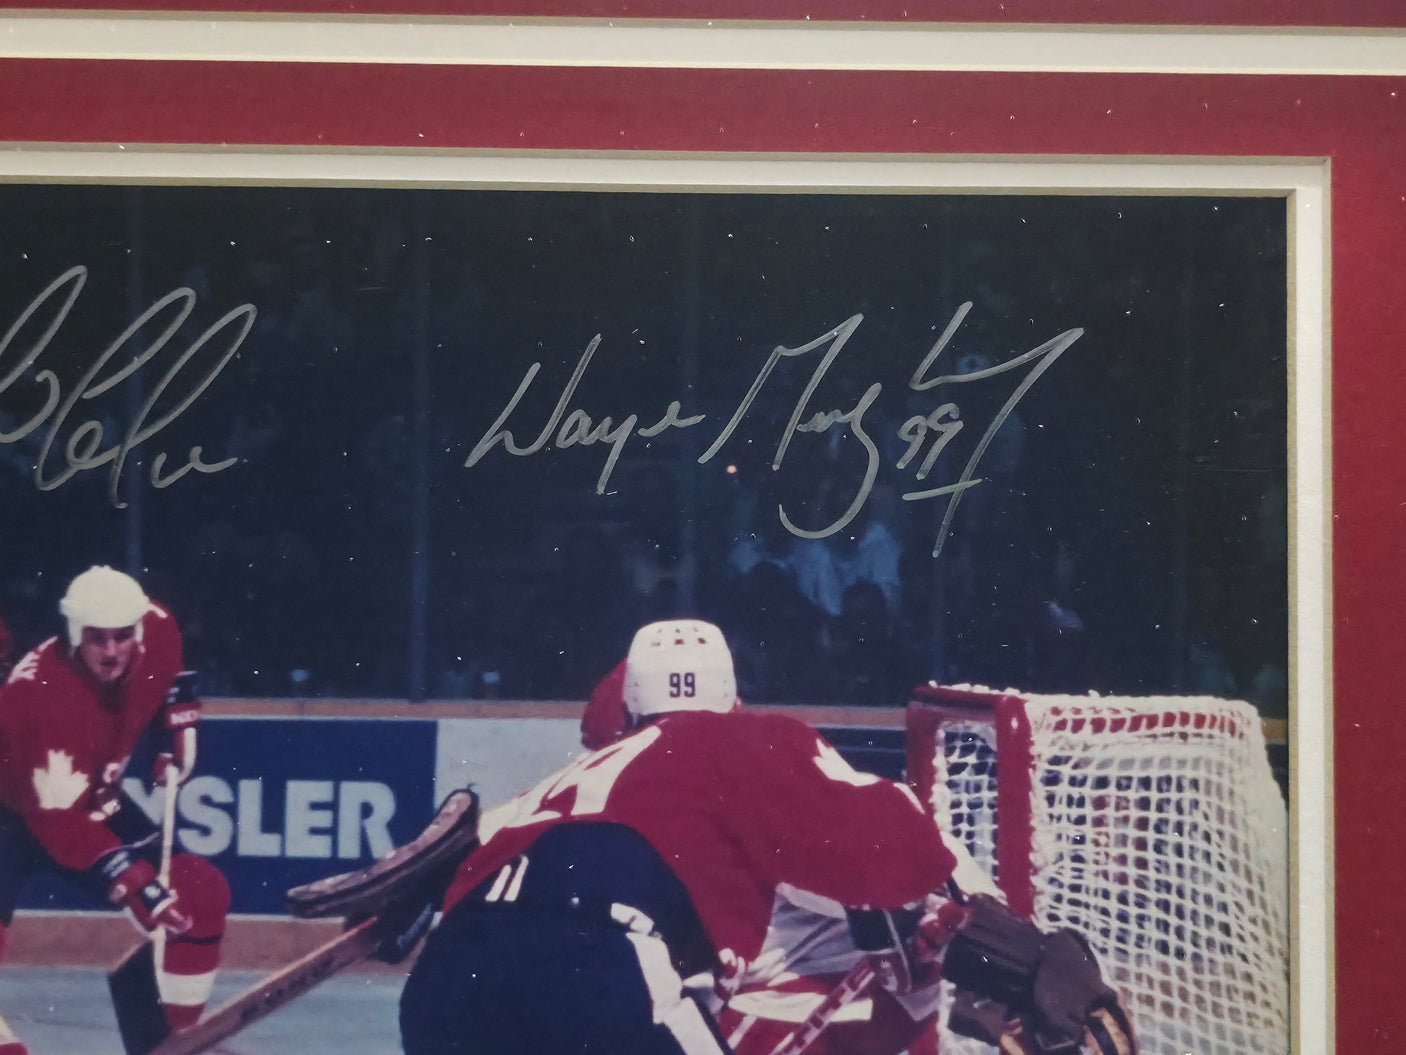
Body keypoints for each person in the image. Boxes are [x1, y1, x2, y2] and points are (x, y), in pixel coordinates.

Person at [399, 620, 1136, 1055]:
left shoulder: (569, 780)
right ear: (734, 699)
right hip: (603, 968)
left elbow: (440, 891)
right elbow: (892, 855)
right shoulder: (750, 746)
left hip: (444, 990)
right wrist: (1022, 956)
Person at [0, 566, 229, 1048]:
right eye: (96, 638)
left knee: (199, 893)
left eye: (121, 637)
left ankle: (173, 1042)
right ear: (73, 632)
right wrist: (134, 883)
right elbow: (57, 824)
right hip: (16, 815)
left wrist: (178, 729)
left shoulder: (159, 628)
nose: (110, 651)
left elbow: (170, 678)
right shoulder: (33, 696)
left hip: (88, 804)